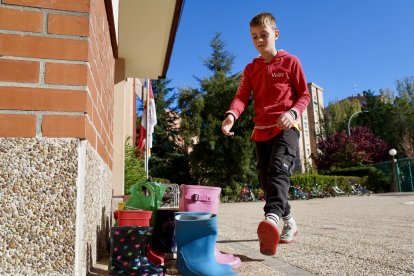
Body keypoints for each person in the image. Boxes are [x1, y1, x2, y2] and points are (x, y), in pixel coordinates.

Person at [221, 12, 310, 256]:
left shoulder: (291, 62)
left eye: (264, 35)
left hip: (286, 129)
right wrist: (231, 116)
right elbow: (241, 97)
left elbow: (304, 95)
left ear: (276, 34)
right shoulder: (251, 69)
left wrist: (292, 113)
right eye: (254, 37)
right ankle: (289, 220)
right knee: (266, 183)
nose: (259, 40)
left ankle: (271, 220)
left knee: (279, 171)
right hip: (261, 132)